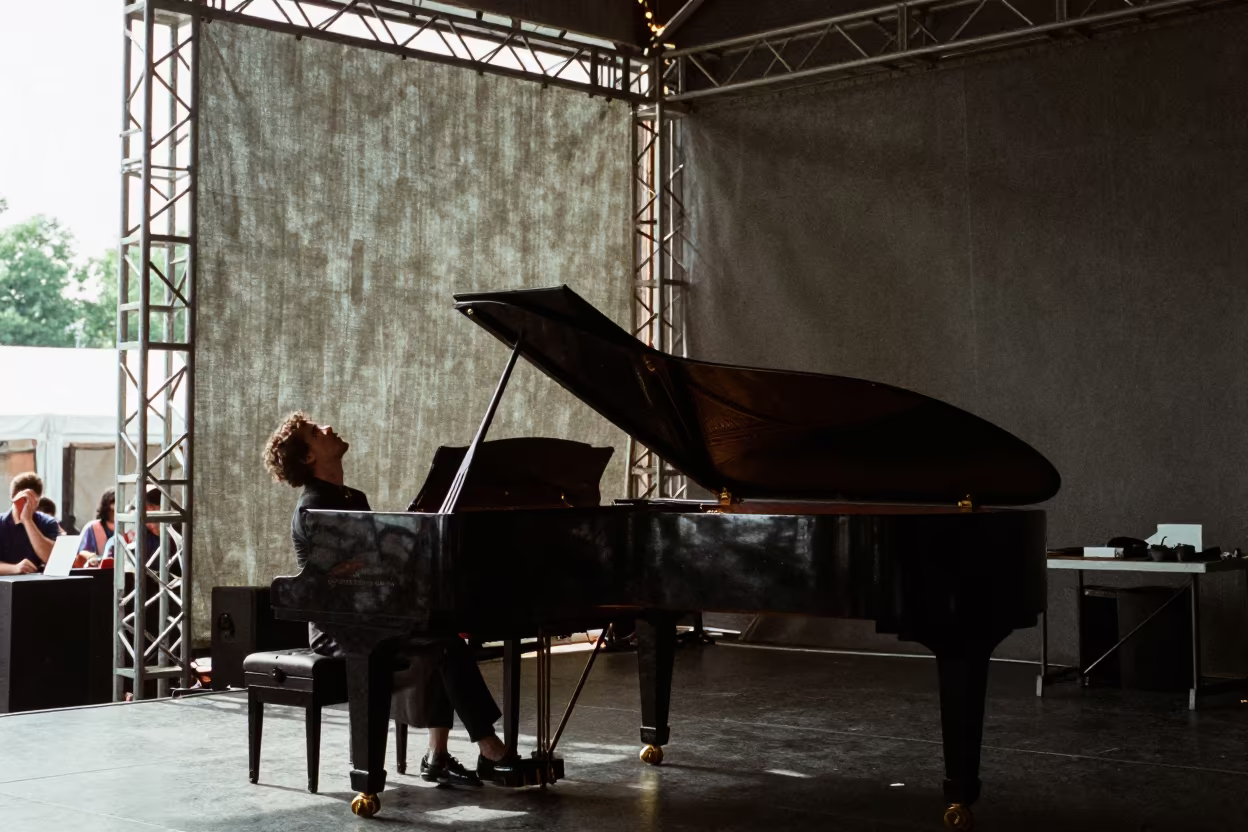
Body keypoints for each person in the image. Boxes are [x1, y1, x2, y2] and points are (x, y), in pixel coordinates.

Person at [264, 412, 512, 787]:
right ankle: (488, 748)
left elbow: (372, 567)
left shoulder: (352, 497)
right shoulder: (314, 507)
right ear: (307, 457)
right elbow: (343, 582)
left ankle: (442, 755)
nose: (329, 427)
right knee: (441, 642)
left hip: (371, 615)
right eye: (316, 432)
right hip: (341, 628)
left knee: (442, 632)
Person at [0, 472, 60, 575]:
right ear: (12, 498)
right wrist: (15, 568)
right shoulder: (1, 523)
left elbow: (52, 558)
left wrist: (28, 521)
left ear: (37, 501)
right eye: (21, 500)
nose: (24, 505)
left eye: (30, 501)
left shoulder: (48, 522)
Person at [77, 488, 116, 566]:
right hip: (98, 571)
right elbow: (81, 552)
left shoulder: (126, 528)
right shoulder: (92, 527)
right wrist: (92, 557)